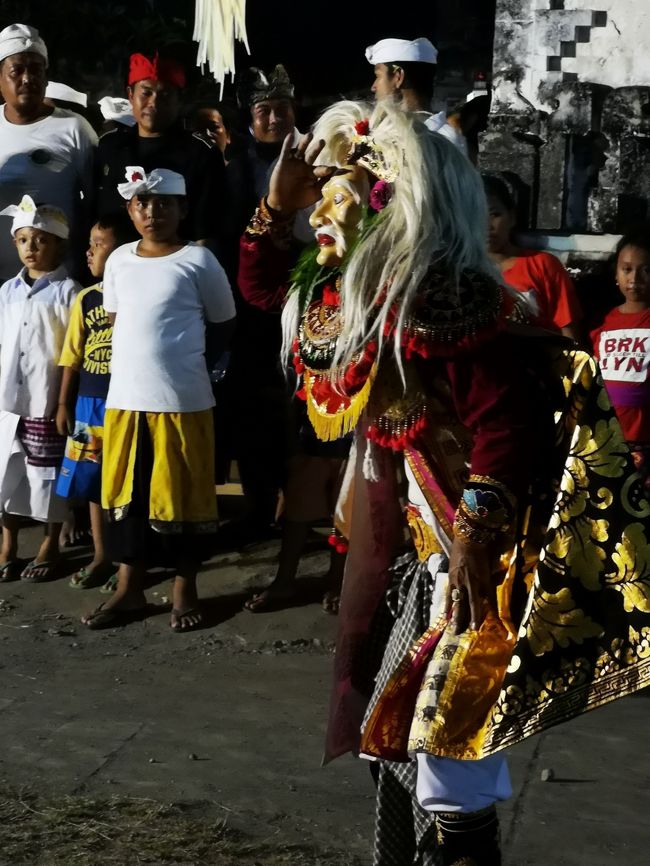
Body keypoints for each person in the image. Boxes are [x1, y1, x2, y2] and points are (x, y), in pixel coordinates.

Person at [250, 99, 650, 865]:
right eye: (323, 192)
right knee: (401, 727)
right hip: (423, 552)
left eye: (342, 193)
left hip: (480, 555)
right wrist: (276, 206)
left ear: (391, 205)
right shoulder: (359, 296)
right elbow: (273, 297)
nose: (324, 210)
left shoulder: (443, 299)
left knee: (450, 734)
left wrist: (469, 542)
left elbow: (504, 430)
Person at [81, 167, 235, 632]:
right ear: (131, 210)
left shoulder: (199, 261)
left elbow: (223, 324)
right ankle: (129, 589)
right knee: (128, 500)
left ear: (182, 209)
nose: (153, 212)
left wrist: (192, 368)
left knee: (184, 501)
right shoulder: (120, 261)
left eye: (164, 203)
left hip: (183, 402)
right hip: (126, 400)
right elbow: (114, 317)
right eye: (143, 204)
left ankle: (184, 590)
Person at [0, 196, 79, 583]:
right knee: (6, 469)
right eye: (23, 240)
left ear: (59, 243)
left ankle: (50, 542)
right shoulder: (7, 292)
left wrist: (64, 401)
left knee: (46, 473)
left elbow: (71, 352)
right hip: (8, 402)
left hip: (44, 400)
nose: (31, 248)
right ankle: (8, 543)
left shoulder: (69, 292)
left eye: (41, 240)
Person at [56, 211, 135, 591]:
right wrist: (62, 404)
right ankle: (102, 555)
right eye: (89, 244)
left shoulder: (136, 296)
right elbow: (71, 356)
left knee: (124, 482)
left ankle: (127, 563)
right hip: (89, 404)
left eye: (99, 245)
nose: (89, 252)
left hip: (126, 403)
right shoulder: (86, 299)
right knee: (91, 481)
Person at [95, 52, 228, 252]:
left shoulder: (201, 152)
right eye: (146, 93)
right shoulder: (110, 146)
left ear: (179, 100)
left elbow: (207, 230)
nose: (154, 103)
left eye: (165, 95)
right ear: (131, 95)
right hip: (116, 266)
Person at [0, 23, 98, 282]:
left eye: (36, 70)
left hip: (60, 284)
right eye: (16, 70)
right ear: (0, 78)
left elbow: (94, 203)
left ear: (46, 77)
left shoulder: (75, 128)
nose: (27, 78)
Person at [483, 173, 582, 340]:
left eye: (494, 214)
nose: (486, 225)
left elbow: (569, 335)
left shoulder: (543, 265)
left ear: (512, 217)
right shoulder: (462, 272)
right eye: (475, 215)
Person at [591, 229, 650, 484]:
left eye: (646, 270)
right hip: (607, 437)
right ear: (616, 273)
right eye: (627, 269)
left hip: (645, 441)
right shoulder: (602, 324)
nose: (634, 278)